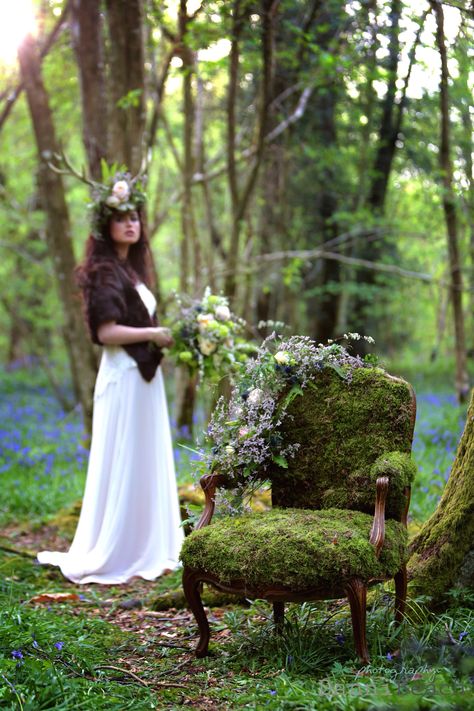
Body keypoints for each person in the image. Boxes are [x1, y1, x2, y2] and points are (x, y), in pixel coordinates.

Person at [38, 174, 184, 584]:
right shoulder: (103, 271)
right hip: (123, 375)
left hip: (143, 375)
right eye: (120, 218)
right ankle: (121, 548)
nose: (130, 224)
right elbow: (106, 333)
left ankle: (150, 542)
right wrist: (154, 334)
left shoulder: (131, 270)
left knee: (143, 455)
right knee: (125, 456)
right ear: (106, 226)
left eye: (134, 217)